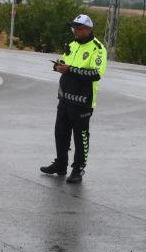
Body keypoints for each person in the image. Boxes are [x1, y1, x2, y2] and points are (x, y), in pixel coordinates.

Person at [40, 13, 106, 184]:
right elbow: (65, 64)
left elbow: (96, 74)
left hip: (83, 102)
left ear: (88, 29)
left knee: (81, 136)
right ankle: (60, 164)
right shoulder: (72, 44)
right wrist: (58, 66)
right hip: (64, 98)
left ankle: (78, 169)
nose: (75, 31)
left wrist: (70, 70)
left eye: (78, 28)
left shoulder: (98, 48)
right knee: (60, 133)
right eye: (74, 28)